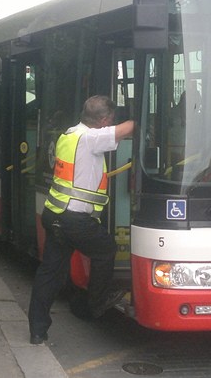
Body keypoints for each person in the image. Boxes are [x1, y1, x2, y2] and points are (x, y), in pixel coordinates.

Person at [28, 95, 135, 344]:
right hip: (74, 220)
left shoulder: (70, 135)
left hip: (53, 215)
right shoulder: (90, 139)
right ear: (104, 120)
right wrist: (141, 116)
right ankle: (97, 303)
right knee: (106, 249)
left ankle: (37, 330)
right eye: (110, 121)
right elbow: (128, 128)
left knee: (50, 273)